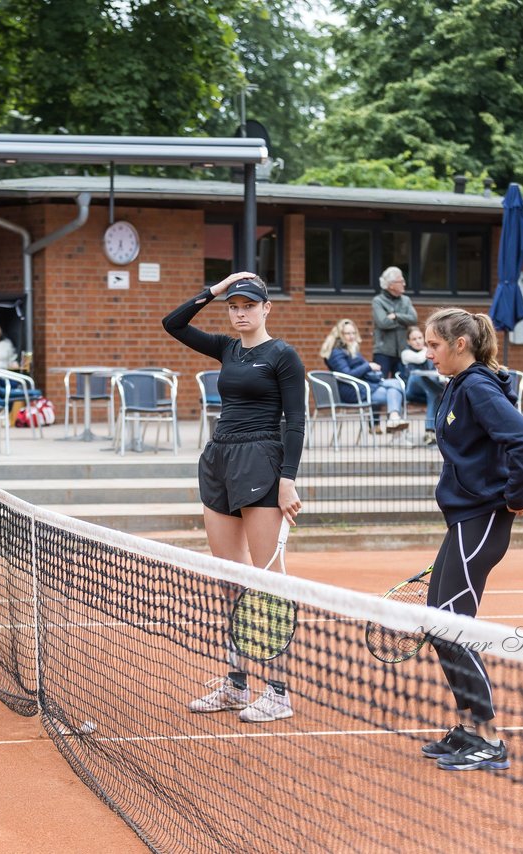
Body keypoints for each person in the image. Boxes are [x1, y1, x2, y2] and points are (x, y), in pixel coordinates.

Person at [163, 271, 305, 723]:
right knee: (230, 581)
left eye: (249, 305)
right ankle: (237, 683)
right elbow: (174, 324)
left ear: (267, 309)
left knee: (267, 583)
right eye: (235, 306)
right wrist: (215, 289)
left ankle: (278, 690)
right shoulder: (226, 347)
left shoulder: (282, 355)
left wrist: (288, 479)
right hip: (219, 459)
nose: (240, 313)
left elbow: (296, 422)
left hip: (263, 458)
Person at [418, 308, 523, 772]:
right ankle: (467, 728)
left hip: (483, 518)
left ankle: (490, 739)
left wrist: (514, 496)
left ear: (460, 345)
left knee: (452, 625)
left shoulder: (478, 386)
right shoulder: (457, 384)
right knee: (438, 622)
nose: (428, 353)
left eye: (434, 345)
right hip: (463, 518)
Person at [319, 318, 409, 432]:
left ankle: (394, 419)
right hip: (352, 390)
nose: (351, 336)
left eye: (353, 333)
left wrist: (371, 369)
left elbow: (362, 368)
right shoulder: (336, 353)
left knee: (396, 385)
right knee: (395, 392)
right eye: (347, 333)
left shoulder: (351, 350)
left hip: (365, 386)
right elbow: (347, 374)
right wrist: (368, 366)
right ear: (339, 334)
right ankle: (396, 427)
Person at [400, 326, 446, 445]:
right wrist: (429, 349)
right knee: (417, 375)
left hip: (427, 391)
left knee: (433, 393)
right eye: (414, 339)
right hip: (412, 391)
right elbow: (420, 359)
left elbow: (436, 372)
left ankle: (429, 432)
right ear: (408, 341)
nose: (418, 341)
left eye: (420, 338)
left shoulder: (428, 352)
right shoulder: (406, 353)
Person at [371, 266, 418, 378]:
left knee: (402, 383)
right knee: (380, 381)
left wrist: (396, 316)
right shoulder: (378, 301)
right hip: (383, 352)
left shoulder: (406, 300)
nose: (404, 284)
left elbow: (413, 319)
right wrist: (403, 322)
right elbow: (383, 323)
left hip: (402, 351)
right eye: (401, 281)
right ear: (391, 285)